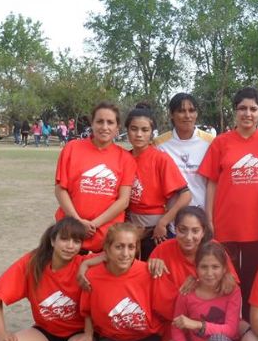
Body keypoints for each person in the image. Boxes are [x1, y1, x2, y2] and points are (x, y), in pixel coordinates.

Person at [198, 87, 258, 319]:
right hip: (226, 226)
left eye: (253, 109)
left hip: (256, 227)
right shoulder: (221, 143)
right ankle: (224, 327)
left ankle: (249, 327)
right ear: (235, 111)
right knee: (226, 280)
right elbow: (211, 183)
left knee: (252, 280)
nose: (248, 113)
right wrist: (210, 219)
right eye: (242, 108)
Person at [0, 217, 91, 341]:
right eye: (64, 239)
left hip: (78, 333)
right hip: (46, 332)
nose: (70, 246)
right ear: (52, 240)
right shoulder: (33, 262)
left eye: (76, 241)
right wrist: (0, 332)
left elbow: (111, 255)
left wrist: (89, 261)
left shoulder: (83, 266)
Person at [147, 207, 238, 341]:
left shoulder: (214, 248)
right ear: (174, 228)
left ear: (203, 231)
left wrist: (198, 280)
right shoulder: (162, 251)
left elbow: (231, 284)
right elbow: (135, 272)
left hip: (210, 320)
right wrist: (151, 263)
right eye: (183, 230)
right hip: (175, 321)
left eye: (195, 230)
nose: (189, 237)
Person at [80, 223, 163, 341]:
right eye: (119, 247)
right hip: (113, 338)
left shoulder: (149, 272)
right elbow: (87, 310)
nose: (125, 254)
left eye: (130, 247)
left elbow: (167, 309)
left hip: (145, 338)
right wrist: (88, 336)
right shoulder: (93, 276)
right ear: (107, 249)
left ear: (136, 249)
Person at [54, 101, 137, 253]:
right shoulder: (72, 148)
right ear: (91, 124)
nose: (104, 127)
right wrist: (78, 222)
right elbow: (60, 189)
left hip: (107, 238)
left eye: (110, 122)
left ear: (117, 128)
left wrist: (94, 224)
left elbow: (123, 201)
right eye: (99, 121)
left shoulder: (125, 158)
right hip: (70, 233)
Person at [171, 241, 242, 341]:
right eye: (204, 267)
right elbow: (176, 328)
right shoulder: (187, 293)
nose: (209, 273)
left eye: (215, 267)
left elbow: (230, 330)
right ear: (196, 268)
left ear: (224, 269)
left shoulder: (232, 290)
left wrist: (197, 325)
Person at [125, 103, 192, 261]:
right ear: (126, 131)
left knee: (153, 274)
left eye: (145, 130)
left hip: (155, 231)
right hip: (128, 228)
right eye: (134, 129)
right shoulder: (123, 158)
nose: (139, 134)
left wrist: (163, 223)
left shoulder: (160, 159)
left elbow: (186, 195)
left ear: (152, 133)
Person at [154, 93, 213, 209]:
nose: (187, 116)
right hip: (172, 219)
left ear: (197, 114)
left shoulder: (211, 143)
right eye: (181, 111)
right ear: (171, 114)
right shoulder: (159, 144)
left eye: (191, 111)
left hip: (201, 216)